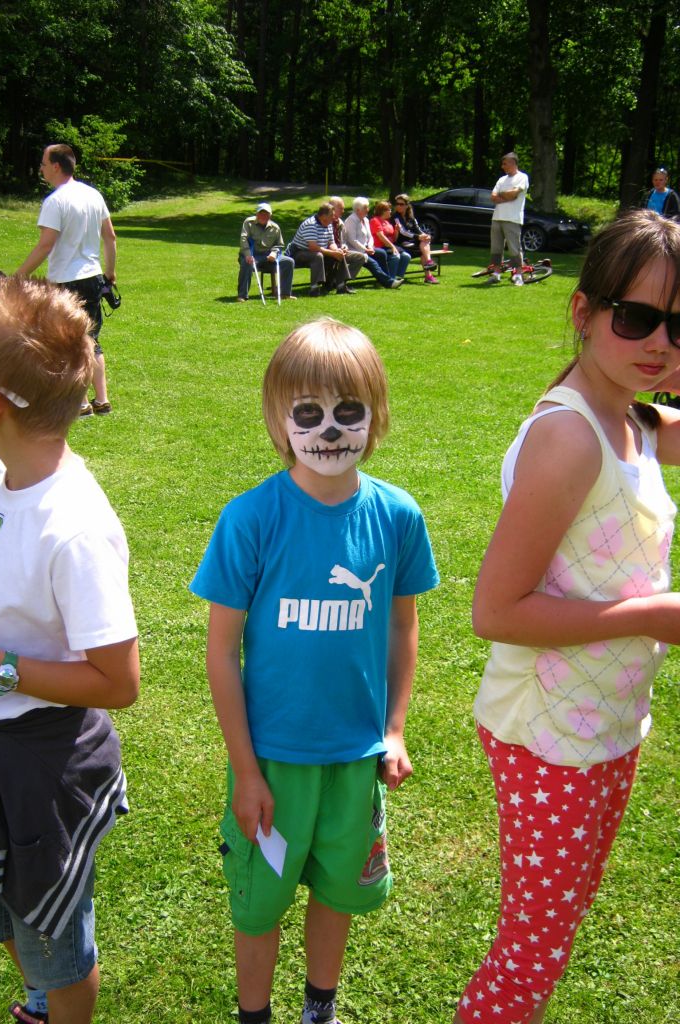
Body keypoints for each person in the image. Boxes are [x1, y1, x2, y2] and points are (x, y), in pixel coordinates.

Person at [453, 209, 680, 1024]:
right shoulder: (572, 439)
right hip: (550, 733)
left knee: (558, 924)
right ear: (584, 310)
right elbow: (496, 611)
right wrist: (653, 614)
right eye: (638, 317)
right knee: (531, 955)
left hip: (607, 720)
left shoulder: (632, 416)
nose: (660, 342)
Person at [190, 317, 439, 1024]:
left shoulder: (397, 516)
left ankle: (319, 1008)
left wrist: (395, 728)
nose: (329, 430)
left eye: (347, 411)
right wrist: (245, 771)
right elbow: (221, 651)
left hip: (356, 759)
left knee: (338, 891)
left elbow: (401, 624)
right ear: (279, 420)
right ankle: (255, 1015)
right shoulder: (250, 519)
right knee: (260, 905)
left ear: (376, 415)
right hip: (273, 764)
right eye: (308, 413)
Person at [0, 276, 140, 1024]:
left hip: (36, 760)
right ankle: (43, 1003)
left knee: (53, 942)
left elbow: (118, 682)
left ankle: (55, 1002)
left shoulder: (74, 528)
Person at [16, 143, 117, 416]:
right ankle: (102, 400)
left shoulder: (55, 201)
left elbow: (45, 245)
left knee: (69, 343)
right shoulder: (93, 195)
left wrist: (19, 276)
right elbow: (110, 236)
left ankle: (81, 403)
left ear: (56, 166)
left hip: (65, 281)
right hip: (93, 276)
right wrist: (110, 272)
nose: (41, 168)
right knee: (91, 338)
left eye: (43, 163)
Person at [285, 203, 352, 297]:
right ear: (324, 216)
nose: (334, 217)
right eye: (332, 215)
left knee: (340, 254)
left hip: (317, 251)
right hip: (298, 253)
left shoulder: (328, 224)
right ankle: (314, 288)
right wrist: (333, 253)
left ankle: (341, 286)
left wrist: (337, 250)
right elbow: (313, 247)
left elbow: (331, 242)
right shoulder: (311, 224)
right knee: (318, 256)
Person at [237, 203, 296, 302]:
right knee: (247, 263)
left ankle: (285, 294)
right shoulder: (248, 222)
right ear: (257, 214)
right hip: (252, 254)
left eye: (266, 214)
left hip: (268, 255)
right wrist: (248, 255)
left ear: (270, 215)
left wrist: (274, 253)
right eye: (261, 213)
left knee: (289, 262)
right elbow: (244, 239)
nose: (263, 216)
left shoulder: (275, 228)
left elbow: (279, 245)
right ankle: (242, 295)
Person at [342, 197, 403, 289]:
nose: (368, 209)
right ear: (358, 210)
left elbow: (370, 237)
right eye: (365, 208)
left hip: (367, 248)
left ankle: (384, 279)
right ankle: (389, 282)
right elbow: (352, 240)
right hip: (356, 250)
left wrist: (370, 246)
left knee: (381, 253)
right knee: (372, 262)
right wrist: (365, 249)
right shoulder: (351, 220)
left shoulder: (366, 220)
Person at [489, 151, 529, 286]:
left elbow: (514, 194)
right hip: (497, 218)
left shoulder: (522, 177)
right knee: (496, 248)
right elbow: (493, 197)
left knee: (514, 248)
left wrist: (502, 195)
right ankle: (496, 274)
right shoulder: (501, 180)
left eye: (505, 164)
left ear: (512, 163)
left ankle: (518, 275)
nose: (502, 166)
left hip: (512, 219)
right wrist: (507, 196)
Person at [392, 195, 439, 284]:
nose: (398, 206)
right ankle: (429, 272)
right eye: (397, 204)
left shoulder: (411, 218)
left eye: (401, 204)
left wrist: (425, 235)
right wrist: (417, 237)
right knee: (423, 249)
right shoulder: (395, 217)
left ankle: (429, 264)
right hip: (401, 244)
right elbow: (403, 231)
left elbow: (418, 230)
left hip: (412, 243)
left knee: (425, 241)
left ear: (407, 205)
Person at [369, 201, 411, 282]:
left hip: (389, 247)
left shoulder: (387, 222)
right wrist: (392, 247)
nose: (391, 211)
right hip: (380, 247)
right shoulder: (375, 221)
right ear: (383, 211)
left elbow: (394, 239)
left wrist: (396, 230)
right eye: (389, 210)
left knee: (406, 256)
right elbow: (381, 236)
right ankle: (390, 279)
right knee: (395, 257)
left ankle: (398, 277)